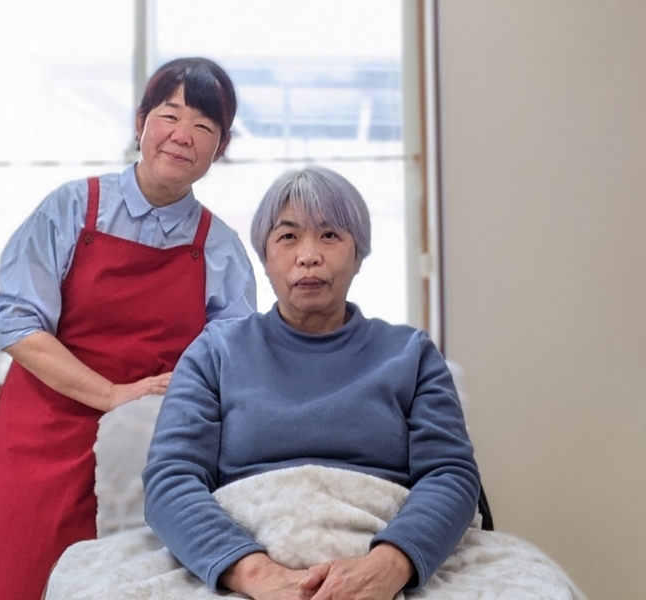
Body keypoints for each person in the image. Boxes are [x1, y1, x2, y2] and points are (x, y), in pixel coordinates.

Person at [0, 57, 257, 600]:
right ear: (140, 122)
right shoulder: (71, 209)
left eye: (204, 127)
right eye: (169, 115)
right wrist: (113, 393)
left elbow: (231, 365)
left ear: (221, 148)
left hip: (147, 453)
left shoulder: (221, 249)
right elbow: (19, 324)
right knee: (11, 579)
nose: (182, 136)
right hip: (40, 437)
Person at [142, 166, 480, 599]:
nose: (308, 255)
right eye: (287, 237)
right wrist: (259, 576)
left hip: (383, 556)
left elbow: (450, 474)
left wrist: (388, 566)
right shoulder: (215, 352)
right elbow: (171, 478)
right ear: (263, 258)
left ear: (359, 254)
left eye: (330, 235)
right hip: (240, 567)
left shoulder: (410, 354)